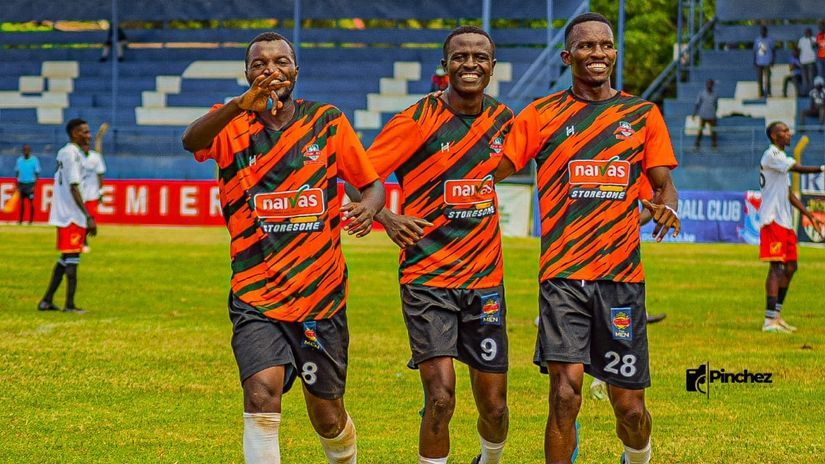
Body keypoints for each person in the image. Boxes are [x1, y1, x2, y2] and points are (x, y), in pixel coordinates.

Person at [181, 32, 385, 463]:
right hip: (256, 293)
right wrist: (239, 104)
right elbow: (191, 141)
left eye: (280, 62)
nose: (270, 70)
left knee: (327, 417)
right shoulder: (231, 123)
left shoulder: (327, 122)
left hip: (320, 294)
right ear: (247, 74)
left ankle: (344, 454)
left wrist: (368, 208)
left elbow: (371, 184)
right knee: (261, 398)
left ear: (296, 70)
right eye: (259, 64)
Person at [494, 13, 680, 464]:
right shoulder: (541, 115)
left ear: (614, 52)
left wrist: (667, 203)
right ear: (567, 56)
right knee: (564, 394)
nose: (597, 53)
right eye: (586, 46)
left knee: (630, 409)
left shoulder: (641, 114)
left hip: (621, 279)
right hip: (562, 277)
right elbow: (492, 169)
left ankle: (638, 457)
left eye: (605, 45)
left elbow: (662, 182)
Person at [356, 26, 513, 464]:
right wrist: (386, 217)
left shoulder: (504, 119)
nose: (469, 64)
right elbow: (355, 174)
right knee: (441, 398)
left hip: (485, 282)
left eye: (479, 57)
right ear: (445, 66)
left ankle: (490, 458)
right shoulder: (415, 121)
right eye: (459, 56)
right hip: (428, 279)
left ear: (492, 67)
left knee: (495, 407)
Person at [758, 121, 825, 333]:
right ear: (774, 136)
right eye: (784, 131)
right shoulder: (772, 155)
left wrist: (809, 215)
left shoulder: (780, 160)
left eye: (788, 130)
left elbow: (788, 194)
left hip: (785, 221)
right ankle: (769, 320)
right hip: (772, 220)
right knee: (776, 267)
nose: (789, 134)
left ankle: (777, 316)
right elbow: (798, 168)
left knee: (791, 267)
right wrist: (822, 168)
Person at [38, 119, 97, 313]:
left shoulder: (71, 153)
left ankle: (46, 301)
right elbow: (73, 186)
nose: (88, 135)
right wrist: (88, 216)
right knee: (72, 260)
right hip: (70, 215)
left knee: (65, 259)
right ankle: (69, 305)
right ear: (74, 133)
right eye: (84, 132)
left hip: (69, 214)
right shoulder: (71, 154)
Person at [80, 122, 108, 252]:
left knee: (90, 219)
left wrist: (101, 191)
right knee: (80, 219)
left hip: (92, 194)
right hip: (79, 194)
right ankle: (83, 242)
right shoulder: (76, 157)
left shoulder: (95, 157)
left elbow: (100, 176)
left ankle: (82, 239)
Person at [14, 144, 40, 224]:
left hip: (30, 184)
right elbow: (17, 172)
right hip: (22, 184)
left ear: (29, 151)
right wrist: (17, 185)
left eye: (27, 149)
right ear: (23, 151)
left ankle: (31, 221)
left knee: (31, 203)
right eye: (24, 150)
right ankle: (21, 220)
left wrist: (34, 185)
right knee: (21, 203)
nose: (26, 151)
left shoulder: (34, 160)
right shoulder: (19, 160)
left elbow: (37, 173)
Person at [692, 79, 718, 149]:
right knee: (700, 131)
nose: (709, 85)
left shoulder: (715, 95)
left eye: (711, 84)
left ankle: (714, 146)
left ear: (713, 85)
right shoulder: (702, 93)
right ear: (706, 85)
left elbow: (716, 105)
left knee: (713, 131)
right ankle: (696, 145)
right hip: (703, 115)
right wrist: (694, 114)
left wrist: (715, 113)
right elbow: (697, 104)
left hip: (712, 116)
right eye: (708, 84)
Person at [754, 25, 775, 98]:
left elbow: (773, 50)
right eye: (761, 30)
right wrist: (754, 61)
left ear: (766, 31)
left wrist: (773, 60)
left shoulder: (770, 40)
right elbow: (755, 51)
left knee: (768, 78)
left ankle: (768, 92)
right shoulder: (757, 40)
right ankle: (761, 92)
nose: (762, 32)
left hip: (767, 61)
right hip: (759, 62)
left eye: (764, 30)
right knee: (759, 78)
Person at [798, 28, 817, 94]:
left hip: (811, 61)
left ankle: (811, 93)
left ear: (811, 32)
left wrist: (810, 39)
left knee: (811, 78)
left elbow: (814, 46)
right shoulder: (801, 40)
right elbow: (799, 50)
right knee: (804, 79)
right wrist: (799, 60)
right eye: (806, 32)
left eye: (808, 32)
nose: (807, 33)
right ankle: (805, 93)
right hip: (803, 62)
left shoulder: (814, 39)